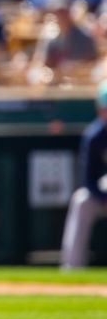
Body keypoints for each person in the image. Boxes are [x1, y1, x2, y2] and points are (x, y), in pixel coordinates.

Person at [61, 81, 107, 268]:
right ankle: (72, 267)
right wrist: (102, 197)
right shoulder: (94, 135)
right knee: (81, 201)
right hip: (103, 192)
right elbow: (88, 178)